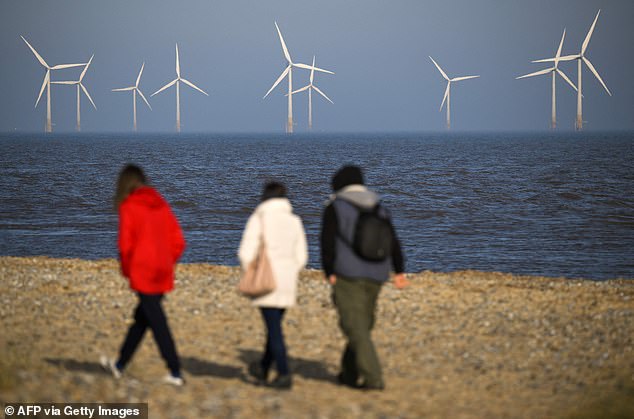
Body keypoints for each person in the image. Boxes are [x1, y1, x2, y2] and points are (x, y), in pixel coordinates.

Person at [320, 165, 409, 390]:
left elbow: (327, 242)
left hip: (348, 274)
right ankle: (349, 376)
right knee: (363, 325)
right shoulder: (379, 207)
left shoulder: (335, 207)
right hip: (378, 273)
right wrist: (399, 271)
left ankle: (373, 378)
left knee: (355, 326)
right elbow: (393, 241)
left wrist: (329, 272)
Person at [100, 164, 186, 386]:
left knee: (157, 321)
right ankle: (120, 365)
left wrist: (129, 271)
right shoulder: (161, 204)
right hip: (163, 270)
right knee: (142, 319)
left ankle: (175, 371)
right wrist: (168, 262)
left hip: (143, 270)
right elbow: (178, 241)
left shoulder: (129, 206)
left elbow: (125, 245)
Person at [238, 182, 308, 389]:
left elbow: (245, 252)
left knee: (274, 329)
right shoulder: (294, 220)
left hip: (266, 280)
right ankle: (263, 367)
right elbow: (302, 256)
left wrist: (249, 272)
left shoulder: (259, 218)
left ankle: (284, 372)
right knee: (274, 326)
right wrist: (290, 272)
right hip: (287, 282)